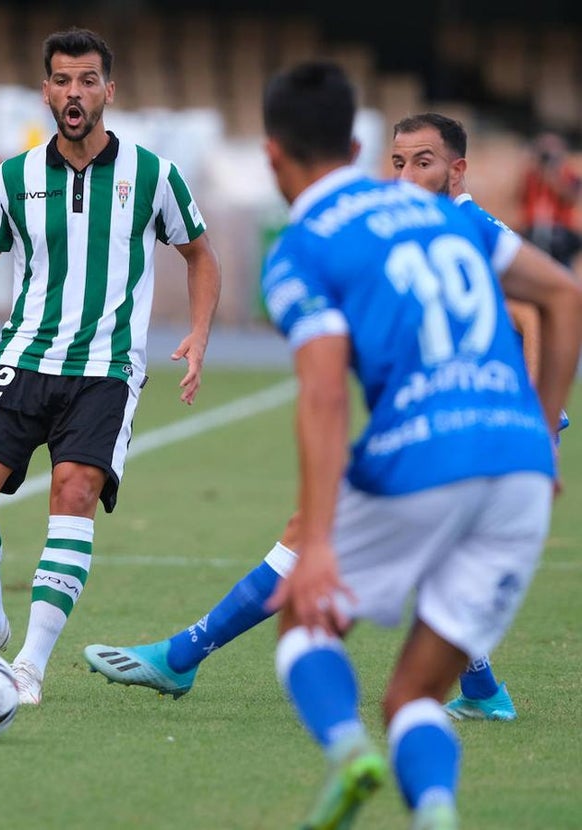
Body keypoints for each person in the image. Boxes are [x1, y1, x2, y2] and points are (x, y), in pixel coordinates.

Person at [84, 111, 577, 724]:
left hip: (465, 428)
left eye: (423, 162)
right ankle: (481, 693)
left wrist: (545, 417)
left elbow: (536, 314)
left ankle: (181, 656)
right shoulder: (424, 226)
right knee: (438, 556)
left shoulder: (466, 227)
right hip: (464, 432)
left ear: (458, 170)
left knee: (306, 531)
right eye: (397, 162)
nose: (405, 175)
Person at [0, 28, 221, 705]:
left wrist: (198, 336)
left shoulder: (152, 174)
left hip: (106, 368)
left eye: (87, 81)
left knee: (75, 491)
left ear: (108, 92)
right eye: (62, 80)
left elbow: (200, 254)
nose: (74, 93)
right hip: (24, 357)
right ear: (46, 91)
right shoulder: (13, 177)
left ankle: (29, 663)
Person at [267, 63, 576, 830]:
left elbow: (325, 393)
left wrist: (319, 541)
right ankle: (434, 811)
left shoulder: (300, 250)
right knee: (413, 696)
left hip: (422, 454)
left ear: (274, 156)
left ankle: (346, 751)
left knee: (304, 623)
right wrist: (544, 425)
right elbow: (565, 293)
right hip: (520, 468)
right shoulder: (450, 214)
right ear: (356, 143)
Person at [517, 132, 581, 269]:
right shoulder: (531, 175)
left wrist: (553, 177)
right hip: (534, 227)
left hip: (560, 229)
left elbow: (572, 197)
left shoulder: (569, 174)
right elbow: (521, 198)